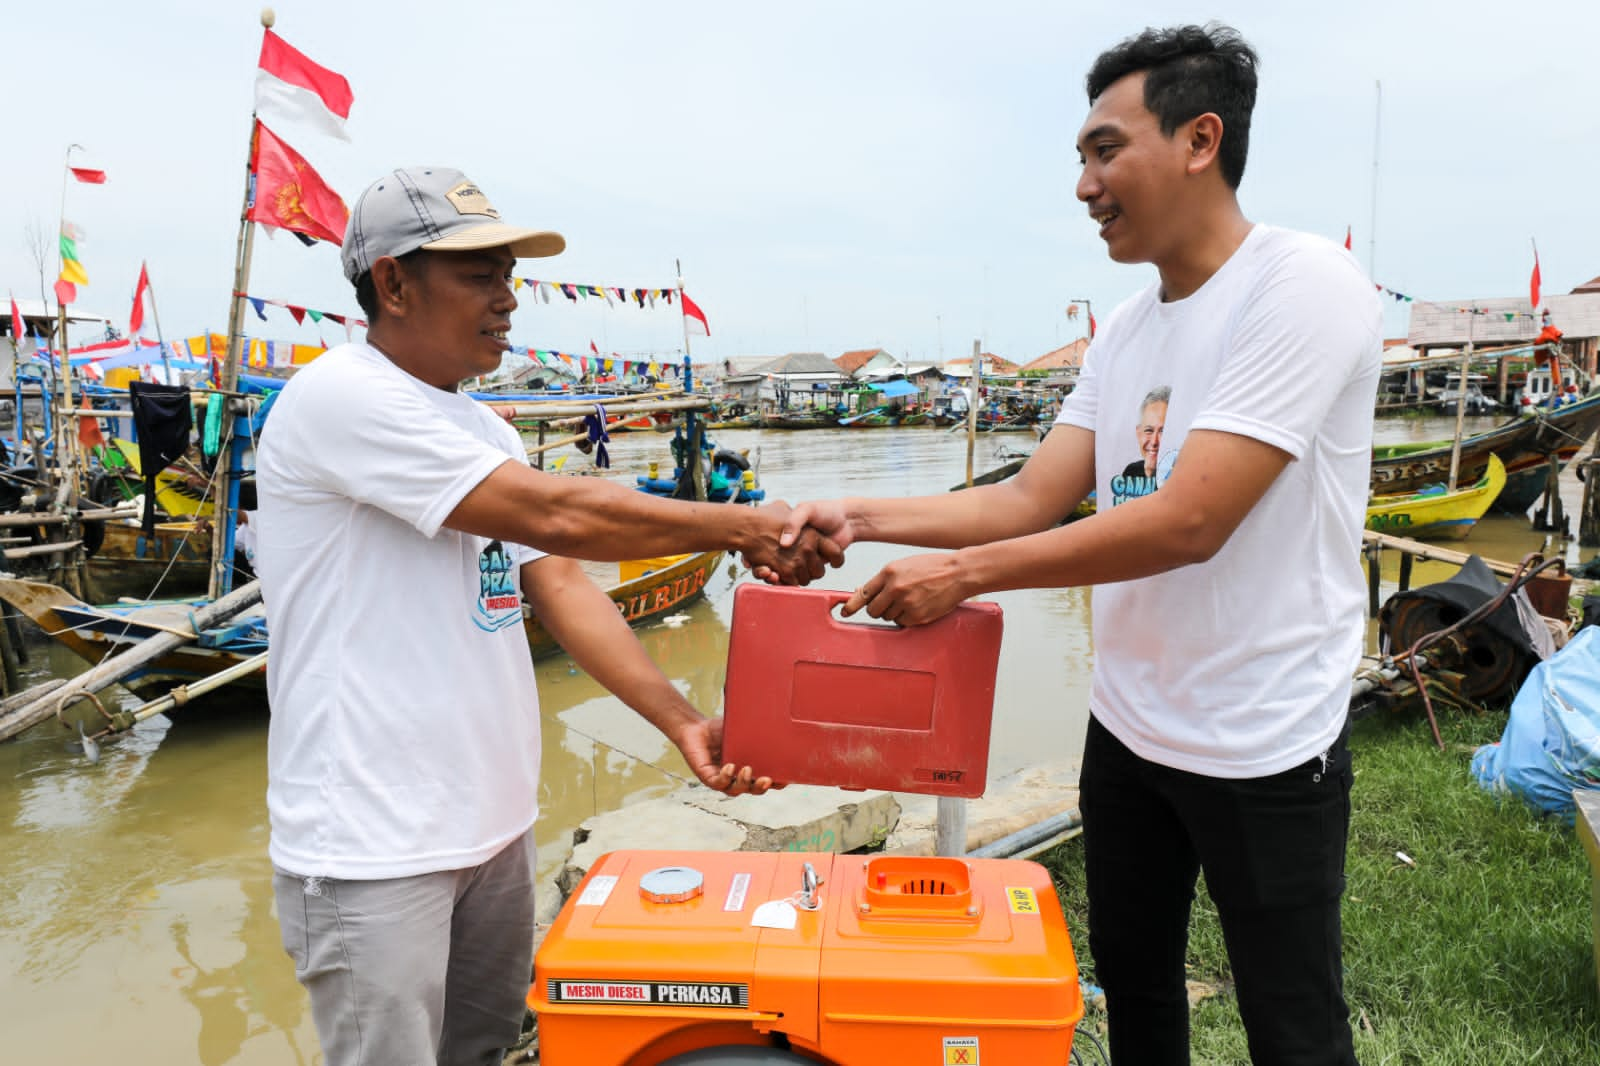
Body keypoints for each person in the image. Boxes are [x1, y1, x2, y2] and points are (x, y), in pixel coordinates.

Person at [775, 25, 1379, 1066]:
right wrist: (861, 517)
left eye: (1105, 151)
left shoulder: (1305, 285)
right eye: (1080, 159)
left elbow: (1192, 517)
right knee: (1135, 990)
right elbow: (1029, 498)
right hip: (1130, 724)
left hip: (1263, 735)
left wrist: (961, 577)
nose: (1084, 184)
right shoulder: (1128, 328)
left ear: (1200, 139)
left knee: (1293, 1022)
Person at [254, 165, 841, 1066]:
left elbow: (564, 582)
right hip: (372, 848)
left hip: (489, 827)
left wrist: (683, 720)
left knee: (481, 1053)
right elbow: (561, 513)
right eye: (479, 275)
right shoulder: (339, 395)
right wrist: (737, 525)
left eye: (509, 275)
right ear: (394, 283)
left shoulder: (481, 429)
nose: (507, 299)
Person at [1114, 384, 1168, 502]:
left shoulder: (1180, 478)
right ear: (1139, 433)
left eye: (1162, 431)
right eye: (1149, 430)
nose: (1154, 442)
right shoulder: (1131, 472)